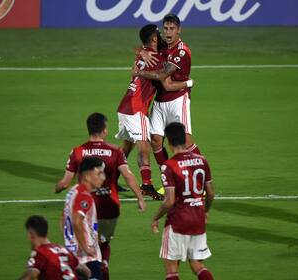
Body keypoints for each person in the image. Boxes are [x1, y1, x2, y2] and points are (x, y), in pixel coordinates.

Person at [55, 112, 146, 280]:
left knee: (86, 246)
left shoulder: (78, 152)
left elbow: (65, 182)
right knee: (103, 245)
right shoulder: (115, 151)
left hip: (86, 208)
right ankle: (103, 266)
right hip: (109, 208)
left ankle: (94, 270)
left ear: (89, 129)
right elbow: (128, 175)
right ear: (104, 130)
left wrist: (58, 187)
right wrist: (139, 198)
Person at [117, 24, 194, 200]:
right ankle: (147, 185)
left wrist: (140, 58)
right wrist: (189, 83)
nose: (162, 34)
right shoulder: (157, 59)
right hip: (136, 108)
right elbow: (165, 83)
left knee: (127, 146)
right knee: (144, 148)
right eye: (159, 33)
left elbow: (134, 67)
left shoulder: (143, 54)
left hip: (125, 106)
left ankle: (110, 179)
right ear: (153, 39)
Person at [134, 14, 200, 167]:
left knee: (185, 140)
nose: (168, 32)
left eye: (172, 29)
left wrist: (140, 72)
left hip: (178, 98)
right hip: (160, 99)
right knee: (156, 141)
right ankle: (168, 178)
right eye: (166, 28)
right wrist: (142, 52)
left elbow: (162, 75)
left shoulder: (181, 52)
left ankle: (200, 177)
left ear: (179, 30)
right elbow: (141, 46)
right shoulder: (163, 45)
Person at [151, 122, 215, 280]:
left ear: (169, 142)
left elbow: (169, 201)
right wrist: (205, 211)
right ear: (185, 139)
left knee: (172, 269)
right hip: (198, 218)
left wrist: (155, 218)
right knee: (197, 265)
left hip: (178, 221)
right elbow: (211, 193)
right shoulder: (202, 160)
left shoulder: (169, 166)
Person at [62, 157, 106, 280]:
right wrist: (86, 248)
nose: (103, 177)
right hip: (88, 259)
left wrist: (69, 243)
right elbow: (77, 222)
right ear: (87, 176)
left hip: (74, 256)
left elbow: (63, 220)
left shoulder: (73, 191)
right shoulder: (84, 196)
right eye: (99, 173)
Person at [19, 215, 90, 280]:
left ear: (31, 234)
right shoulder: (64, 250)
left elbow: (30, 274)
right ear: (47, 232)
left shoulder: (39, 253)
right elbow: (86, 272)